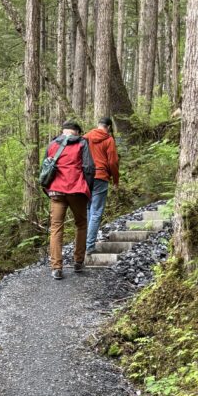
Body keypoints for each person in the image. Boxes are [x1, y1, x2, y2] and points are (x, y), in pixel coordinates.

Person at [43, 120, 95, 280]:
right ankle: (78, 262)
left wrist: (48, 190)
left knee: (56, 228)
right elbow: (89, 168)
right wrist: (88, 188)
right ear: (77, 132)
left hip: (56, 191)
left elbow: (44, 168)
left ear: (63, 131)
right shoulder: (82, 143)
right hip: (76, 189)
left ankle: (56, 267)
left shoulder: (52, 144)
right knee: (81, 224)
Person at [84, 117, 120, 255]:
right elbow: (113, 162)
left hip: (86, 177)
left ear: (98, 125)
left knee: (88, 209)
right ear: (109, 127)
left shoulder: (86, 137)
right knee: (96, 212)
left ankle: (84, 244)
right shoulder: (109, 139)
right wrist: (115, 179)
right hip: (100, 177)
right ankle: (89, 246)